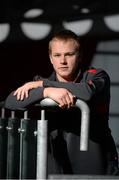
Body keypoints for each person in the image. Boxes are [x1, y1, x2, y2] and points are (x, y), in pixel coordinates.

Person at [5, 29, 119, 175]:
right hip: (57, 164)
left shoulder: (96, 75)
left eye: (69, 54)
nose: (63, 61)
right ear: (51, 59)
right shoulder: (42, 83)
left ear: (79, 56)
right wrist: (46, 92)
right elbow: (10, 101)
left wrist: (43, 85)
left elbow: (86, 92)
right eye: (57, 55)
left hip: (96, 163)